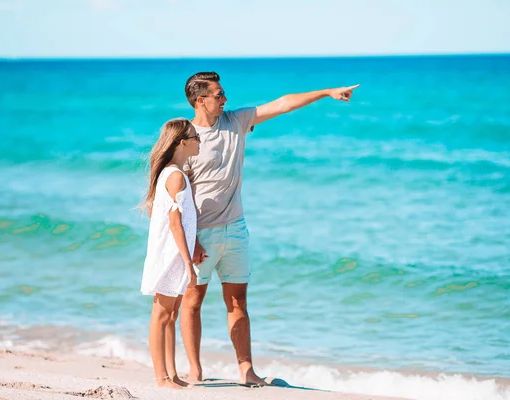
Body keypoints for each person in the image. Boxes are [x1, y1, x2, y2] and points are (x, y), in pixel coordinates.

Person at [180, 72, 359, 386]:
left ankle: (247, 371)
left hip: (235, 229)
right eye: (219, 94)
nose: (225, 99)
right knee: (193, 301)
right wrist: (190, 238)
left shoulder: (236, 122)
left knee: (238, 303)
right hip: (201, 233)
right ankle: (195, 371)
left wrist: (328, 91)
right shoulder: (186, 137)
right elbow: (176, 192)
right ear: (200, 100)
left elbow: (283, 104)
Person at [140, 118, 201, 389]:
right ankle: (160, 377)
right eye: (196, 137)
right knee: (162, 314)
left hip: (172, 253)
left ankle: (172, 374)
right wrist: (187, 261)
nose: (200, 141)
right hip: (171, 256)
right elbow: (174, 221)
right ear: (182, 142)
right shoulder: (175, 175)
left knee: (171, 314)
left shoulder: (173, 172)